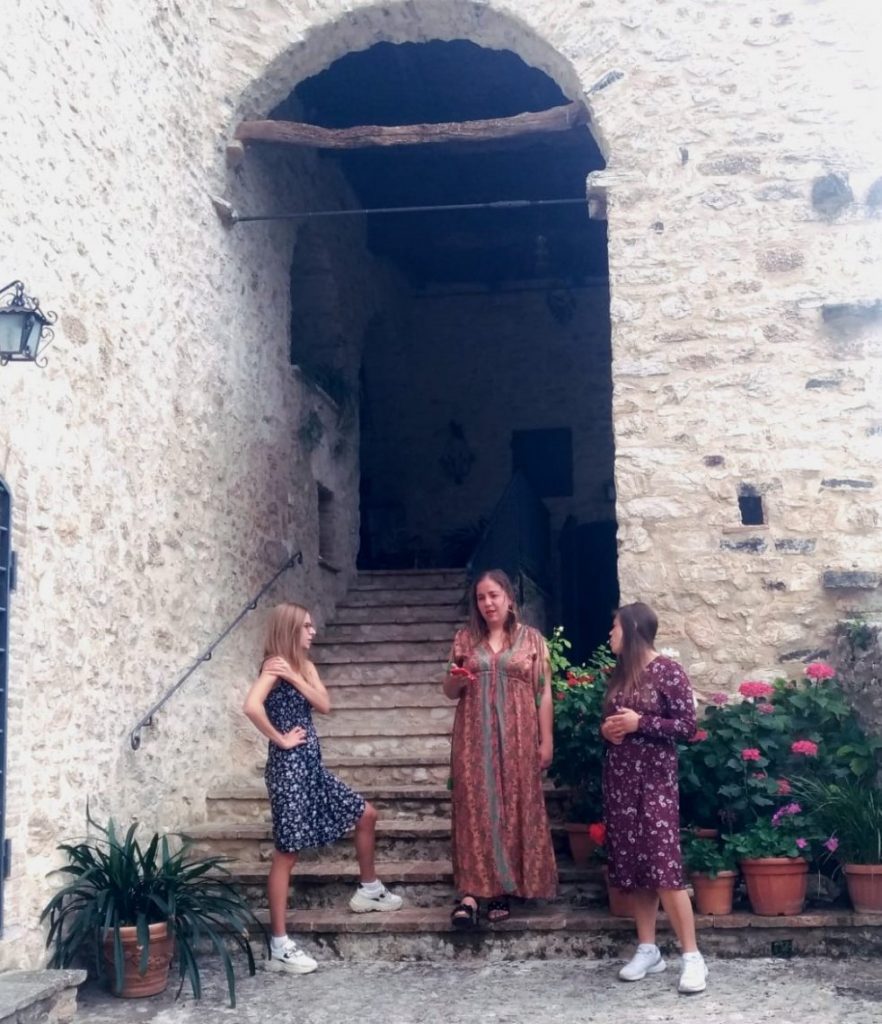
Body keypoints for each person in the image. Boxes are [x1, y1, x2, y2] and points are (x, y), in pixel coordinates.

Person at [243, 602, 403, 974]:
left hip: (312, 768)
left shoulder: (303, 667)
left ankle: (369, 889)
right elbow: (251, 706)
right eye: (306, 626)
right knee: (287, 853)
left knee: (366, 814)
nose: (313, 632)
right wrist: (280, 739)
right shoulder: (273, 666)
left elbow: (325, 704)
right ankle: (279, 946)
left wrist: (297, 677)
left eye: (313, 626)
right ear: (289, 629)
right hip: (288, 771)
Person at [600, 601, 707, 994]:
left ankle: (692, 957)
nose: (609, 634)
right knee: (634, 865)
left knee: (664, 866)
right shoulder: (621, 673)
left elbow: (687, 726)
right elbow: (613, 722)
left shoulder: (668, 671)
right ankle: (648, 949)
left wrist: (639, 722)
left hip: (655, 782)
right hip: (621, 782)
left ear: (630, 629)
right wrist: (609, 731)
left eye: (614, 627)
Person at [442, 569, 557, 927]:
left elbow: (543, 692)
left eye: (493, 595)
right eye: (481, 597)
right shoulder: (465, 639)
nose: (487, 603)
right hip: (473, 739)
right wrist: (456, 680)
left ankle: (503, 888)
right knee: (474, 809)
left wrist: (546, 740)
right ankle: (471, 893)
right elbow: (449, 691)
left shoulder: (533, 639)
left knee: (514, 806)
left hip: (519, 737)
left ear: (508, 597)